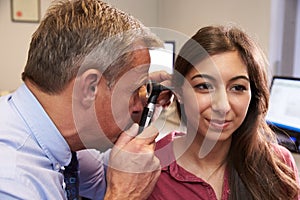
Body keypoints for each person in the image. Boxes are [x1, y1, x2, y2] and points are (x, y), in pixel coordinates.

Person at [0, 0, 171, 199]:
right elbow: (119, 186)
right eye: (134, 91)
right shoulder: (11, 181)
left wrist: (147, 104)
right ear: (90, 87)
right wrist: (123, 195)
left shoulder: (57, 132)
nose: (137, 105)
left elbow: (104, 176)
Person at [148, 25, 300, 200]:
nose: (222, 106)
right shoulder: (149, 169)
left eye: (237, 88)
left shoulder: (278, 165)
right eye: (204, 86)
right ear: (179, 92)